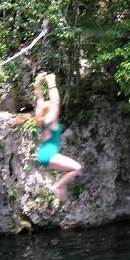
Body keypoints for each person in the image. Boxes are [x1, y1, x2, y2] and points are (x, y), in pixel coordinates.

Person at [33, 72, 82, 200]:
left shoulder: (40, 120)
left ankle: (61, 188)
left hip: (43, 156)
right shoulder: (50, 121)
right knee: (77, 168)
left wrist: (38, 83)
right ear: (49, 111)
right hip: (50, 156)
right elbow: (55, 102)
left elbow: (39, 100)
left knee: (68, 170)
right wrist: (51, 82)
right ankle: (57, 187)